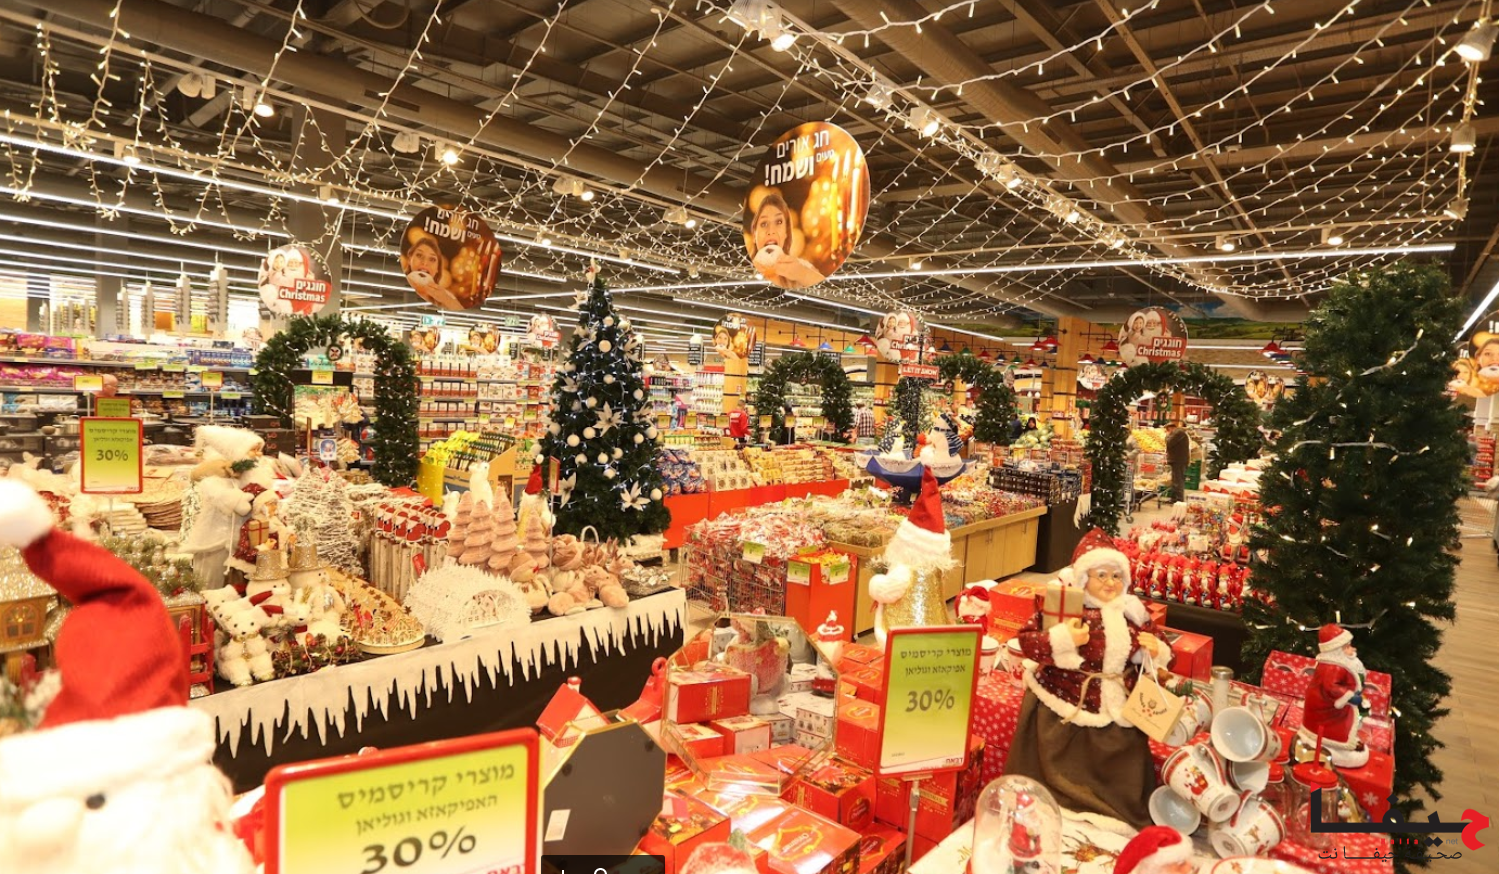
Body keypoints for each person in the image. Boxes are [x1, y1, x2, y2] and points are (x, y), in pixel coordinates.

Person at [1007, 530, 1169, 828]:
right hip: (1065, 705)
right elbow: (1027, 641)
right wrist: (1063, 638)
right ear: (1083, 578)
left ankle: (1113, 814)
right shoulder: (1067, 607)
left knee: (1125, 763)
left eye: (1116, 576)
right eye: (1102, 575)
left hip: (1119, 708)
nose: (1110, 582)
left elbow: (1161, 645)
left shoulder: (1134, 612)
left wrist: (1156, 650)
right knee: (1057, 769)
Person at [1299, 623, 1371, 767]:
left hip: (1334, 704)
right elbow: (1331, 687)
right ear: (1336, 650)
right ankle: (1333, 744)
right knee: (1335, 726)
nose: (1353, 649)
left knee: (1345, 723)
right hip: (1327, 706)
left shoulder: (1341, 664)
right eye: (1347, 647)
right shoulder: (1333, 667)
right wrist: (1349, 696)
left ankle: (1340, 741)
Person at [746, 191, 825, 289]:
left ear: (786, 233)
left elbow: (827, 290)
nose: (771, 231)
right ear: (754, 235)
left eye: (779, 222)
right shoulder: (743, 270)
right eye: (764, 224)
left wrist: (803, 274)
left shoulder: (801, 267)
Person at [403, 235, 462, 309]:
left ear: (437, 268)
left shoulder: (447, 297)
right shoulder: (401, 285)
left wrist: (446, 299)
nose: (425, 263)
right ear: (409, 259)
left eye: (432, 259)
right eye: (419, 255)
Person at [1165, 420, 1190, 501]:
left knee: (1178, 480)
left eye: (1167, 430)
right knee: (1175, 480)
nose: (1167, 432)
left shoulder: (1178, 433)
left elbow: (1169, 443)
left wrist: (1167, 436)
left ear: (1171, 428)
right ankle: (1174, 498)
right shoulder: (1178, 433)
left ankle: (1179, 499)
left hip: (1178, 461)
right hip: (1177, 460)